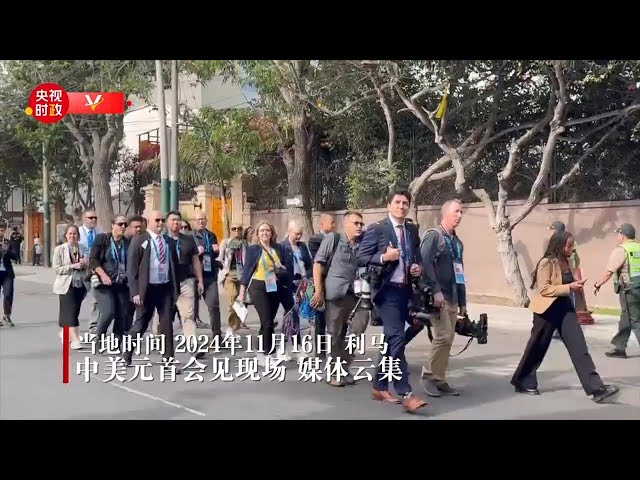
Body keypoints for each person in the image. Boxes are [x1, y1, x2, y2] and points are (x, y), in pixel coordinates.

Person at [510, 229, 619, 403]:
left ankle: (596, 388)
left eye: (572, 245)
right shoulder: (547, 262)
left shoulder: (567, 261)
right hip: (546, 310)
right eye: (569, 245)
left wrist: (575, 285)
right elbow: (544, 289)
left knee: (579, 348)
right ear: (560, 245)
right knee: (537, 348)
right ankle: (523, 380)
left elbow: (569, 281)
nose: (572, 248)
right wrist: (569, 288)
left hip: (565, 309)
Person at [357, 188, 428, 413]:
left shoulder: (412, 230)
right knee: (396, 335)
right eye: (397, 202)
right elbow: (361, 257)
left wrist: (417, 268)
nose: (401, 206)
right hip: (386, 292)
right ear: (389, 206)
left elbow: (416, 256)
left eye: (405, 203)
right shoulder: (378, 230)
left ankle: (379, 385)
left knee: (395, 337)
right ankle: (406, 392)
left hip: (407, 290)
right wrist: (383, 257)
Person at [311, 211, 366, 386]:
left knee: (358, 330)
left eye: (361, 224)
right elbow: (318, 264)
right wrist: (319, 290)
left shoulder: (363, 243)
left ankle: (344, 366)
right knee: (335, 334)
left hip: (357, 296)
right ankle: (334, 372)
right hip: (335, 295)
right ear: (345, 224)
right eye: (355, 223)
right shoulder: (333, 239)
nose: (359, 226)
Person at [418, 199, 466, 397]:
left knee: (448, 338)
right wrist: (435, 290)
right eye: (456, 211)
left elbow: (460, 272)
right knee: (443, 335)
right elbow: (424, 264)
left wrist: (463, 302)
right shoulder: (434, 236)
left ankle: (440, 378)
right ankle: (428, 375)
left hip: (453, 296)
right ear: (445, 213)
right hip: (438, 296)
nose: (460, 215)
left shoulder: (457, 242)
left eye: (461, 212)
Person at [123, 210, 179, 368]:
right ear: (148, 221)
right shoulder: (139, 240)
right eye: (157, 220)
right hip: (146, 289)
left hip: (165, 288)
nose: (160, 223)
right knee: (141, 324)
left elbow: (173, 265)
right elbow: (132, 268)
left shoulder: (168, 241)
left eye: (162, 220)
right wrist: (135, 292)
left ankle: (168, 359)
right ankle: (127, 353)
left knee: (167, 324)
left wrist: (176, 290)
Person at [237, 221, 285, 366]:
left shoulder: (278, 248)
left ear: (272, 233)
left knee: (269, 321)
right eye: (262, 231)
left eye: (267, 230)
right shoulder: (253, 249)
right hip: (258, 287)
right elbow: (247, 271)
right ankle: (266, 353)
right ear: (257, 234)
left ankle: (263, 350)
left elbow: (284, 266)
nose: (265, 233)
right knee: (266, 320)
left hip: (274, 287)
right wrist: (241, 293)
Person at [593, 223, 640, 359]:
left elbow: (609, 272)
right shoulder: (638, 247)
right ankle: (619, 348)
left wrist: (598, 284)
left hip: (630, 290)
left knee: (635, 320)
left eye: (618, 234)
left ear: (622, 235)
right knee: (626, 318)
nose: (617, 237)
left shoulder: (621, 250)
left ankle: (619, 348)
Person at [89, 215, 132, 350]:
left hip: (121, 283)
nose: (123, 227)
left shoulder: (127, 243)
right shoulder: (103, 239)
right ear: (112, 225)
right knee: (108, 312)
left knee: (122, 313)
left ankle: (117, 342)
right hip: (104, 283)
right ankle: (99, 338)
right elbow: (93, 260)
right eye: (120, 224)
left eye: (125, 224)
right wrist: (103, 275)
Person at [52, 224, 89, 347]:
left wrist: (85, 264)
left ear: (78, 236)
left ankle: (64, 332)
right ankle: (75, 339)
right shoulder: (60, 249)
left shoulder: (83, 248)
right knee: (70, 311)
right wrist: (73, 266)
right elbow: (57, 268)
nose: (72, 236)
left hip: (80, 283)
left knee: (74, 310)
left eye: (75, 234)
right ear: (66, 236)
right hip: (66, 284)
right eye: (70, 234)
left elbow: (89, 265)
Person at [218, 222, 249, 337]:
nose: (237, 231)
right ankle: (230, 328)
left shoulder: (245, 243)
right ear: (230, 230)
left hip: (242, 274)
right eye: (234, 229)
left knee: (239, 303)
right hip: (230, 274)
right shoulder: (226, 242)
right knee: (231, 302)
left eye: (239, 229)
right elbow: (220, 258)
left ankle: (233, 328)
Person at [78, 209, 102, 334]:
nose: (93, 220)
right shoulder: (78, 232)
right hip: (80, 271)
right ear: (84, 219)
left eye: (95, 217)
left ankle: (93, 328)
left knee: (95, 298)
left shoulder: (100, 232)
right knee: (76, 300)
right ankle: (71, 326)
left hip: (93, 271)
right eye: (90, 218)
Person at [0, 225, 18, 327]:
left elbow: (15, 256)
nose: (0, 233)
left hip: (7, 273)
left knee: (8, 294)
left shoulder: (8, 242)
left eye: (2, 231)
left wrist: (7, 250)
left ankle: (7, 315)